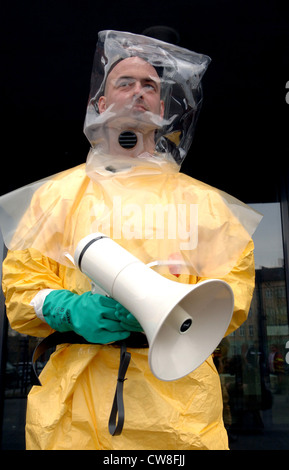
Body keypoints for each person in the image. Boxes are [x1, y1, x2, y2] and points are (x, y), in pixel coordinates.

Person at [1, 30, 260, 450]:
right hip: (73, 413)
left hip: (178, 413)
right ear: (101, 105)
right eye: (124, 82)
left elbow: (233, 294)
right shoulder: (57, 197)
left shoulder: (205, 204)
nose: (138, 92)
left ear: (162, 108)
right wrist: (68, 308)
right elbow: (20, 288)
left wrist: (174, 307)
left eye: (150, 86)